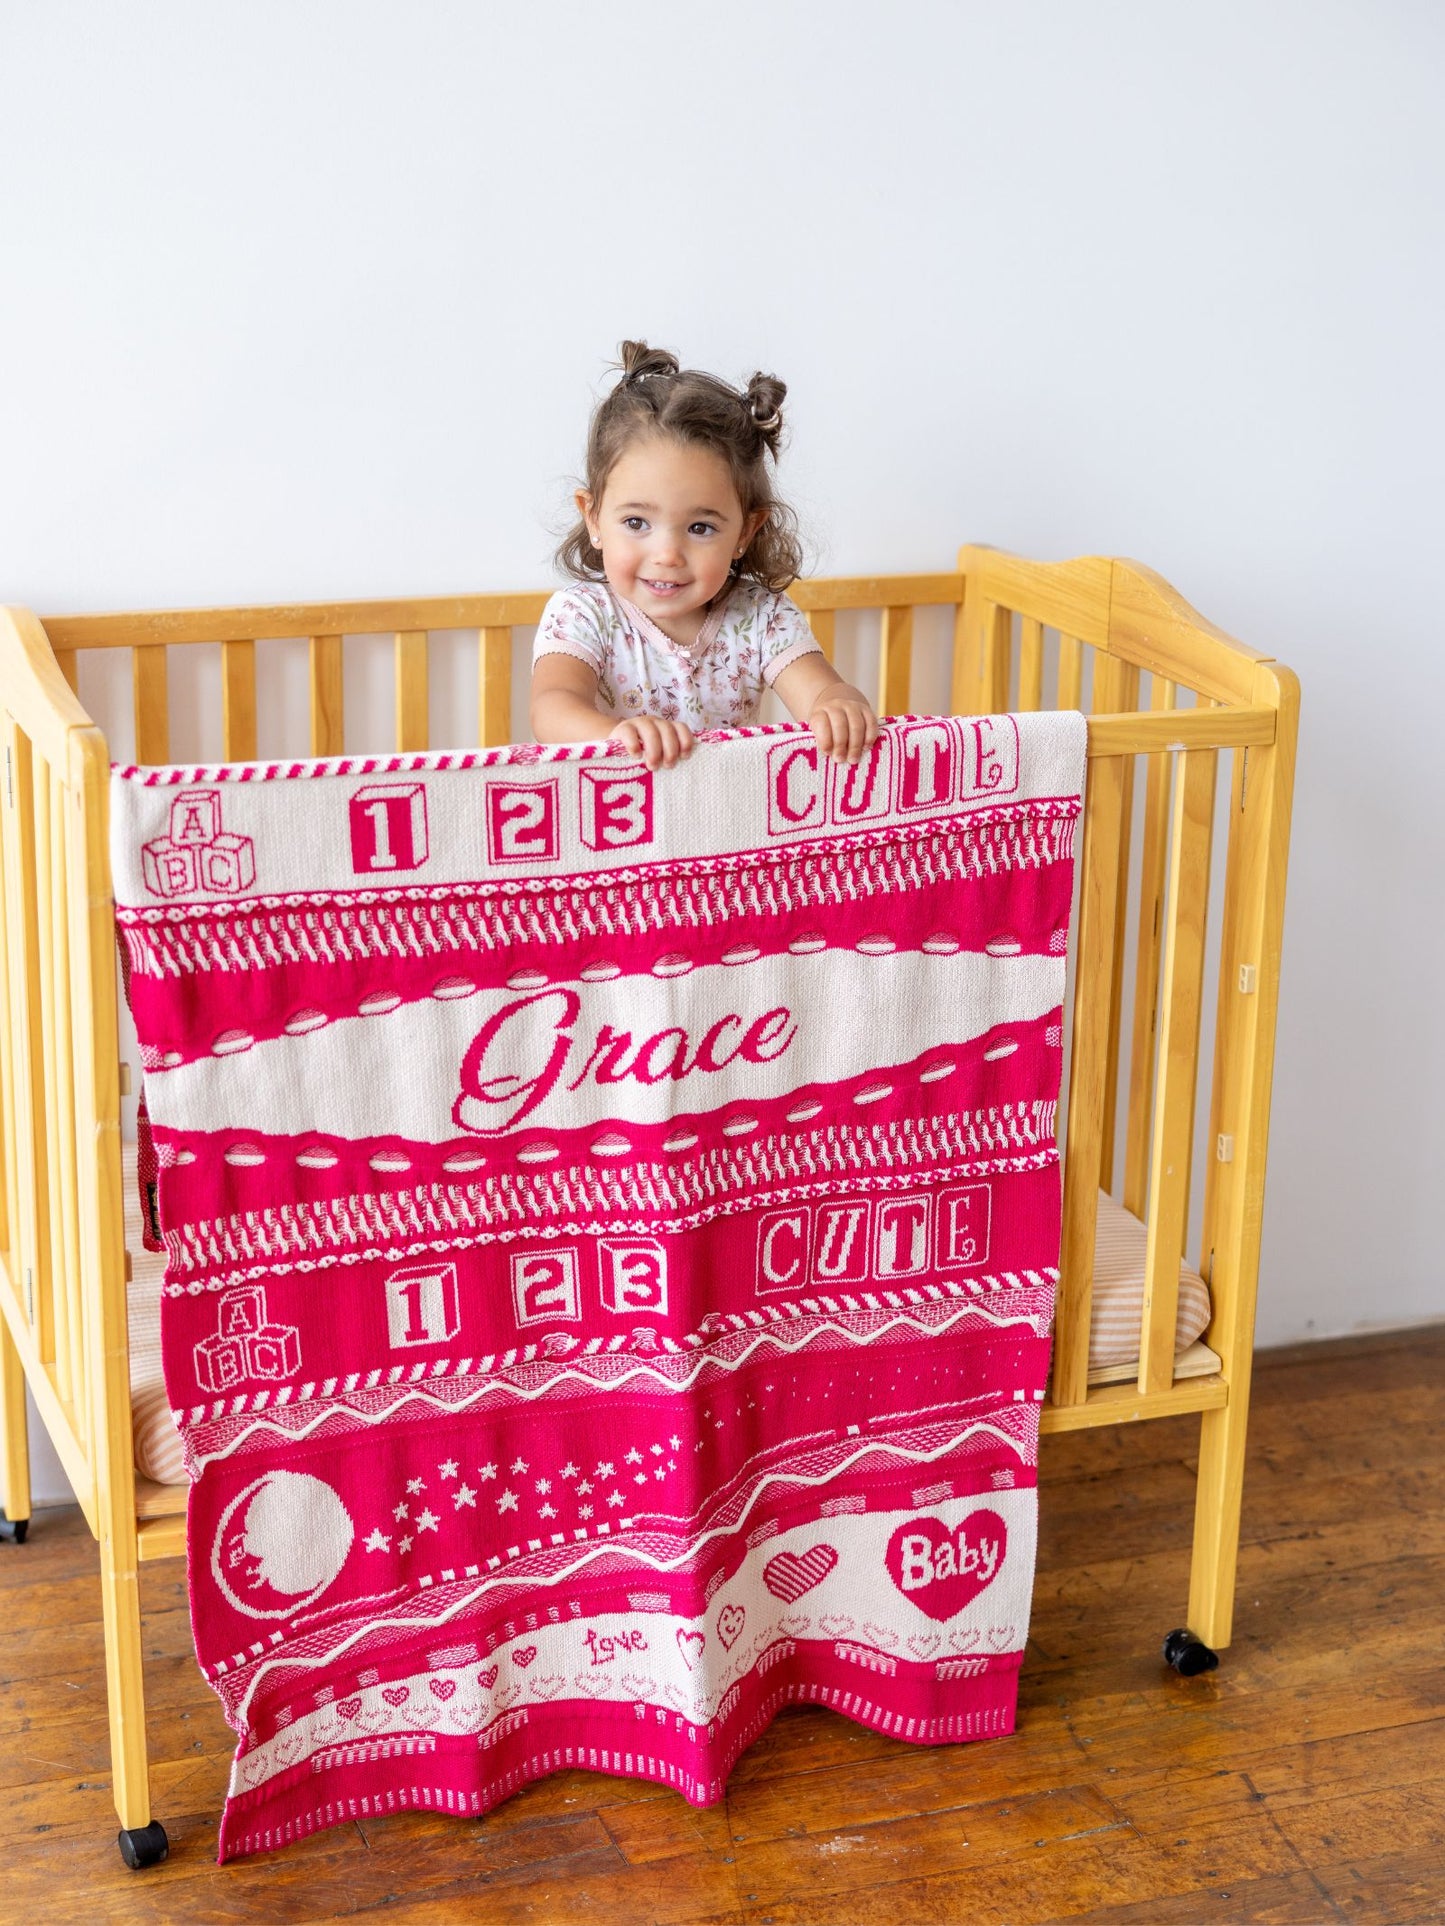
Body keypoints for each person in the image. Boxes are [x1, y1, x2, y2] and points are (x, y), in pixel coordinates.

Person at [530, 340, 880, 771]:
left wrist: (840, 705)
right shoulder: (583, 615)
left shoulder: (759, 618)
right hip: (616, 822)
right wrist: (617, 733)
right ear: (594, 518)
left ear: (745, 532)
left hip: (722, 825)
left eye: (700, 528)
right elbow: (552, 708)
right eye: (637, 523)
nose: (667, 554)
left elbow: (822, 693)